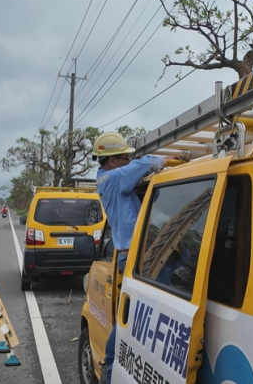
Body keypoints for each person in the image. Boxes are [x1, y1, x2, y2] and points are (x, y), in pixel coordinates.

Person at [92, 131, 164, 384]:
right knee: (133, 322)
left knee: (134, 320)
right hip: (133, 258)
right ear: (111, 160)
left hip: (131, 256)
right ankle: (111, 367)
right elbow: (147, 164)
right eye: (125, 158)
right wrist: (159, 159)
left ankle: (112, 365)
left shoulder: (108, 177)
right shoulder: (114, 178)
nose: (129, 161)